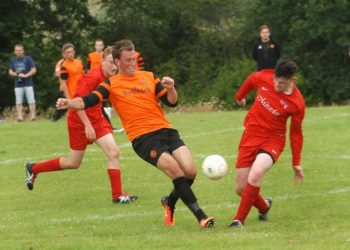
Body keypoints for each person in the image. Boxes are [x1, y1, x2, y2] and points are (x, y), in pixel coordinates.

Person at [56, 39, 215, 228]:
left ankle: (169, 202)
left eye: (134, 59)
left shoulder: (148, 77)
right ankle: (201, 216)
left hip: (167, 131)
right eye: (128, 60)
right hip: (143, 139)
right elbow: (87, 100)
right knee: (175, 171)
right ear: (117, 61)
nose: (133, 63)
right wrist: (69, 103)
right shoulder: (111, 84)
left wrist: (171, 88)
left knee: (190, 172)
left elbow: (171, 102)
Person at [25, 46, 137, 204]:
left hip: (97, 120)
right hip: (79, 121)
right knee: (73, 163)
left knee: (114, 152)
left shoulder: (113, 77)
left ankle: (117, 196)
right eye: (111, 62)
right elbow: (77, 103)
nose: (114, 66)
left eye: (116, 63)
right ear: (102, 62)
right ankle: (33, 168)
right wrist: (87, 125)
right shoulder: (92, 78)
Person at [229, 59, 305, 228]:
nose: (277, 85)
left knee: (255, 174)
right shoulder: (265, 76)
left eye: (282, 83)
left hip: (273, 140)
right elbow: (251, 79)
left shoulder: (297, 103)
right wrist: (240, 96)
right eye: (276, 80)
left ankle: (238, 220)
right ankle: (264, 207)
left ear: (293, 79)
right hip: (251, 134)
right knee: (241, 188)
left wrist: (296, 162)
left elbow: (296, 134)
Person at [52, 43, 84, 122]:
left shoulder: (79, 62)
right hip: (71, 90)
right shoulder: (63, 65)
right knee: (69, 108)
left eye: (71, 51)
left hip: (82, 89)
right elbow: (61, 79)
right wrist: (68, 97)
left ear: (74, 52)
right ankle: (55, 118)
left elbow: (83, 75)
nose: (70, 54)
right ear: (64, 54)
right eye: (68, 52)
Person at [8, 44, 37, 121]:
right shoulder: (13, 60)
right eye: (17, 50)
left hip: (28, 83)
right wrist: (17, 74)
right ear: (15, 51)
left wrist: (26, 75)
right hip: (18, 84)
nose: (19, 52)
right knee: (18, 101)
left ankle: (33, 117)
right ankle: (20, 117)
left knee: (31, 100)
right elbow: (10, 71)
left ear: (23, 51)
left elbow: (34, 70)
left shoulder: (28, 58)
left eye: (20, 50)